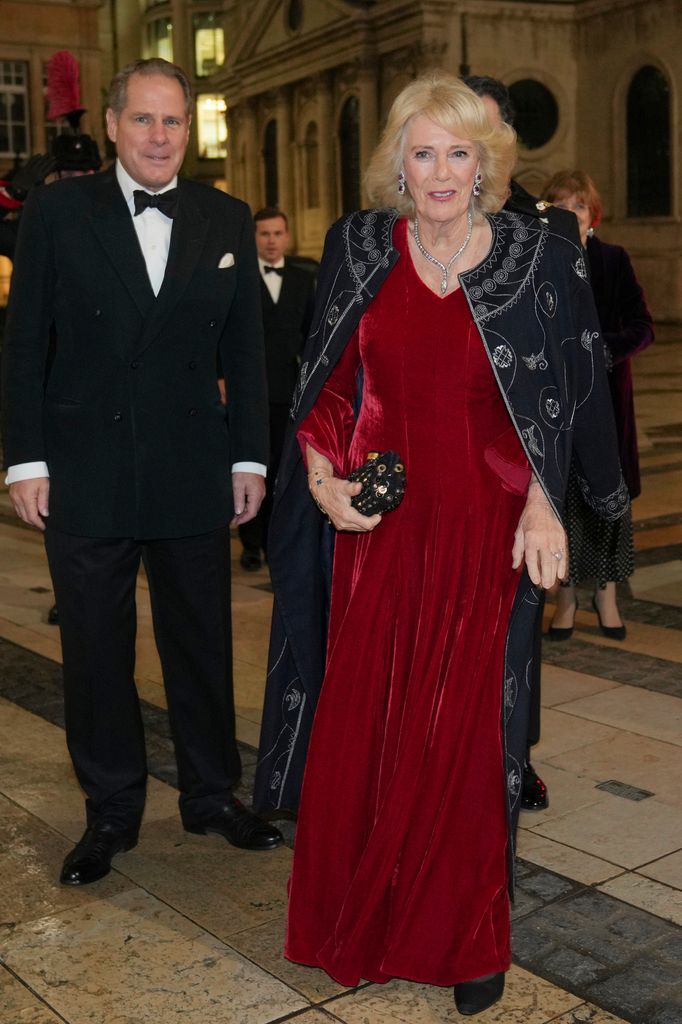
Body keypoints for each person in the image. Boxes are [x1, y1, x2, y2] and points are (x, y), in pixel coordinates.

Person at [254, 72, 628, 1014]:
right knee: (373, 725)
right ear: (398, 163)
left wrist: (549, 504)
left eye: (459, 152)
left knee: (469, 740)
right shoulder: (357, 247)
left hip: (489, 530)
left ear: (487, 163)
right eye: (422, 152)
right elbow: (330, 381)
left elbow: (564, 393)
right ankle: (367, 914)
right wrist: (323, 474)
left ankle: (467, 938)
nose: (441, 170)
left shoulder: (537, 258)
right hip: (380, 529)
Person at [1, 57, 283, 888]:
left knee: (198, 639)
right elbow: (23, 345)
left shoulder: (224, 216)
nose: (160, 136)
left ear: (187, 132)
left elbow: (245, 353)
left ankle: (210, 794)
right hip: (84, 468)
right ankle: (112, 808)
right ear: (117, 125)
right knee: (95, 648)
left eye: (174, 122)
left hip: (194, 467)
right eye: (145, 120)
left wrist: (248, 455)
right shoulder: (58, 212)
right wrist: (25, 459)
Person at [463, 74, 583, 812]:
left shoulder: (547, 232)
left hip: (520, 467)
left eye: (478, 134)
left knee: (518, 628)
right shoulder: (415, 228)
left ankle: (514, 756)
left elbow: (576, 360)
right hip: (443, 463)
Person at [541, 170, 654, 641]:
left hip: (606, 401)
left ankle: (606, 596)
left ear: (593, 215)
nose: (572, 214)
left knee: (607, 502)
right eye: (561, 206)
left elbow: (642, 326)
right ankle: (565, 599)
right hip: (557, 405)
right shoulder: (539, 261)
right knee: (562, 502)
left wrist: (599, 350)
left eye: (579, 206)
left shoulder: (613, 259)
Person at [238, 207, 315, 571]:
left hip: (291, 389)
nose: (271, 241)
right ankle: (251, 543)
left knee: (286, 469)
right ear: (254, 237)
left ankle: (280, 541)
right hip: (250, 390)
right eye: (264, 234)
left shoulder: (304, 280)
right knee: (253, 466)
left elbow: (312, 335)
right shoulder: (240, 277)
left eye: (277, 234)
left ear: (287, 236)